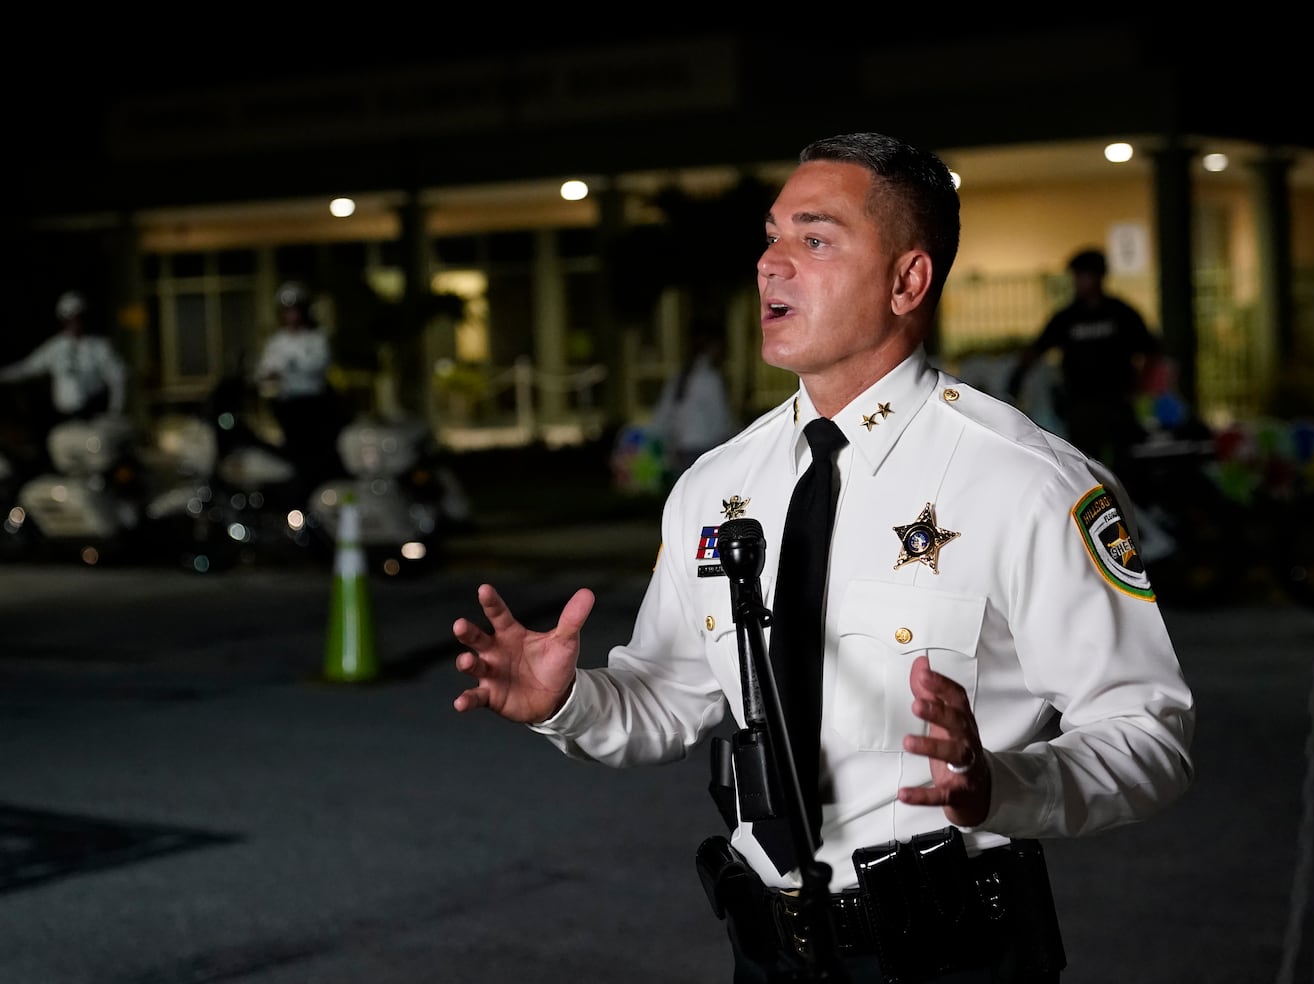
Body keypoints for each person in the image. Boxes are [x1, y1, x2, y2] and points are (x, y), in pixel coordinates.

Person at [451, 133, 1195, 983]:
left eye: (814, 238)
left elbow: (1151, 736)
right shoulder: (716, 485)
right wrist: (569, 702)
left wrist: (1006, 785)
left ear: (908, 280)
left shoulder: (1025, 483)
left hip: (952, 953)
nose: (772, 264)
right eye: (771, 237)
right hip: (768, 952)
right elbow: (667, 700)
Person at [1006, 248, 1162, 483]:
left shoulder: (1120, 313)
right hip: (1081, 405)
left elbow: (1150, 352)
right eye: (1076, 276)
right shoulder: (1067, 317)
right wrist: (1016, 379)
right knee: (1085, 468)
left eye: (1083, 276)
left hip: (1117, 401)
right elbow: (1037, 349)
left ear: (1098, 277)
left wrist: (1139, 389)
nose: (1077, 282)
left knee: (1129, 466)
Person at [0, 290, 129, 459]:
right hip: (64, 417)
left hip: (93, 417)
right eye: (69, 318)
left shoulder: (99, 347)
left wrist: (115, 411)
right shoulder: (56, 347)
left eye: (78, 317)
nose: (74, 322)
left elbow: (118, 378)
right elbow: (28, 368)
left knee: (96, 455)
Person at [253, 280, 342, 484]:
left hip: (314, 405)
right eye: (287, 310)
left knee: (317, 452)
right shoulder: (277, 341)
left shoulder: (316, 338)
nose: (292, 315)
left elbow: (316, 364)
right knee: (292, 452)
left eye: (295, 310)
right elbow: (265, 369)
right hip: (288, 406)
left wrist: (289, 367)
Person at [652, 316, 737, 487]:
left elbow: (662, 418)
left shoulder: (681, 377)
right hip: (703, 451)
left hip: (680, 452)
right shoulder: (710, 379)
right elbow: (720, 423)